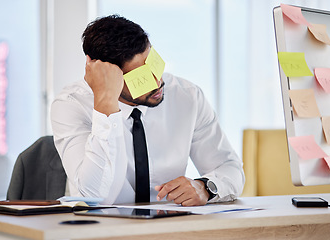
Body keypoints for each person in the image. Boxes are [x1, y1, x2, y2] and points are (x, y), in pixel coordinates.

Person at [51, 15, 245, 206]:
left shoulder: (187, 96)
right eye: (140, 77)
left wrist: (206, 187)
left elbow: (230, 169)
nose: (157, 81)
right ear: (106, 75)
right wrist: (106, 105)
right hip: (104, 230)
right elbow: (94, 198)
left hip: (171, 226)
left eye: (154, 63)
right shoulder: (70, 105)